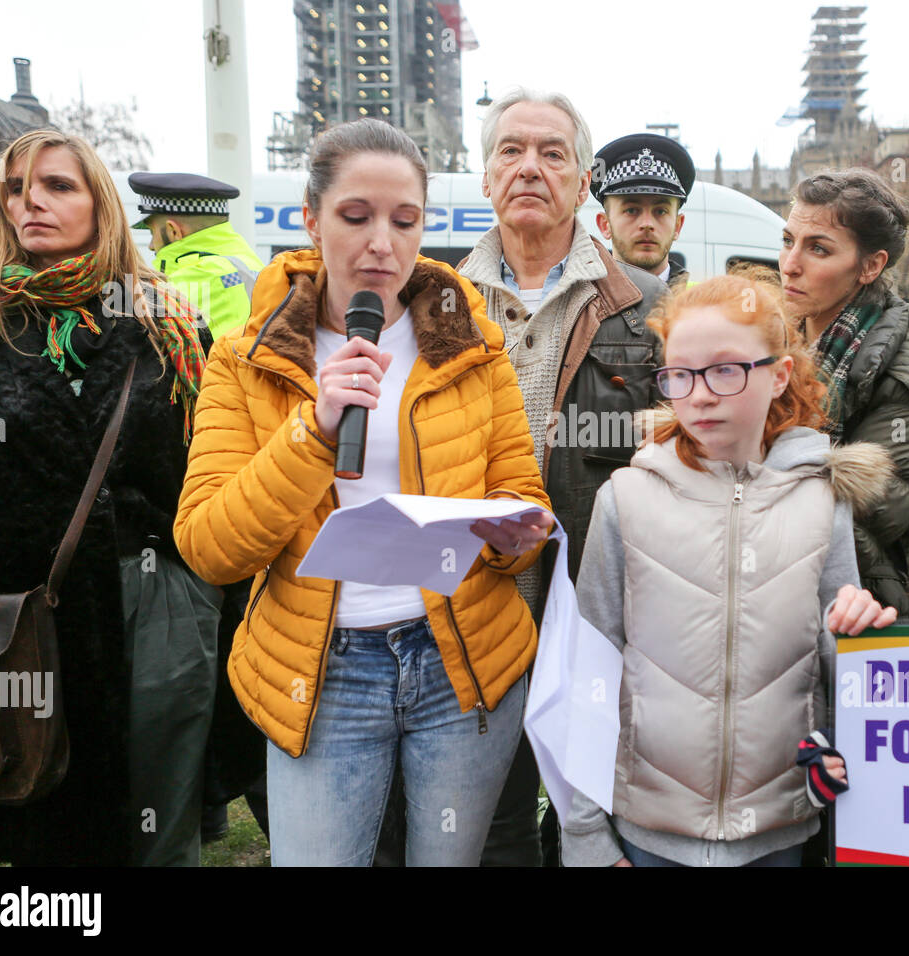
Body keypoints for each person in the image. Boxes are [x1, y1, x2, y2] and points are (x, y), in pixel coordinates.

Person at [173, 118, 552, 867]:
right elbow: (210, 547)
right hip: (321, 672)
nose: (383, 241)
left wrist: (515, 536)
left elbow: (519, 489)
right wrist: (312, 431)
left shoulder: (474, 344)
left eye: (405, 221)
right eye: (356, 216)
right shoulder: (242, 360)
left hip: (461, 665)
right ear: (311, 219)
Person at [562, 275, 897, 867]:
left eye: (725, 370)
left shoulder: (823, 499)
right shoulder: (626, 499)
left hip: (779, 835)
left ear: (780, 375)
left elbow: (839, 668)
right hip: (647, 835)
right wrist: (586, 837)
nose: (700, 395)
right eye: (680, 375)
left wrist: (864, 634)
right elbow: (586, 670)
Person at [0, 129, 214, 866]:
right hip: (18, 617)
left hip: (152, 599)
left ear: (101, 204)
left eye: (57, 185)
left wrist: (192, 593)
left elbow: (205, 465)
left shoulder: (166, 320)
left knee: (160, 823)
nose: (30, 201)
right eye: (14, 187)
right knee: (44, 821)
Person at [460, 87, 666, 866]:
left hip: (598, 597)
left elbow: (679, 443)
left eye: (553, 153)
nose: (529, 168)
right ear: (485, 178)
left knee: (592, 800)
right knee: (488, 815)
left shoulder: (644, 306)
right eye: (510, 150)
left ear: (583, 184)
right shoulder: (436, 299)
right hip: (475, 594)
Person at [129, 170, 270, 844]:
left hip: (198, 503)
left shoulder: (171, 278)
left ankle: (207, 805)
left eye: (154, 233)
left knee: (194, 678)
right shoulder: (254, 266)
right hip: (262, 497)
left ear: (172, 229)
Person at [780, 169, 909, 613]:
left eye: (817, 248)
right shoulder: (771, 340)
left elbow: (885, 512)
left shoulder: (902, 374)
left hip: (865, 606)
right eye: (787, 241)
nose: (791, 263)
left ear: (871, 266)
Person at [129, 172, 264, 340]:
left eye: (152, 232)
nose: (150, 245)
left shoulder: (191, 280)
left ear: (173, 231)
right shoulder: (248, 261)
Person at [591, 132, 695, 290]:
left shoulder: (703, 306)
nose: (647, 224)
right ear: (605, 225)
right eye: (632, 210)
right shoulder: (580, 308)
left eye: (660, 211)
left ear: (678, 226)